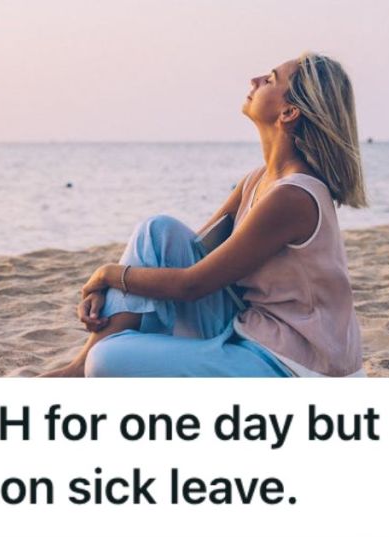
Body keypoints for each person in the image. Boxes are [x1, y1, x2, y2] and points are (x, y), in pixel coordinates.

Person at [40, 51, 367, 378]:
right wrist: (111, 291)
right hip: (253, 330)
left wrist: (106, 275)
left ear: (289, 112)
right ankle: (79, 367)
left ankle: (89, 366)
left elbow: (191, 285)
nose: (254, 81)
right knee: (158, 232)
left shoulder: (292, 196)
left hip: (297, 366)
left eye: (270, 79)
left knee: (107, 360)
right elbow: (189, 256)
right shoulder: (257, 181)